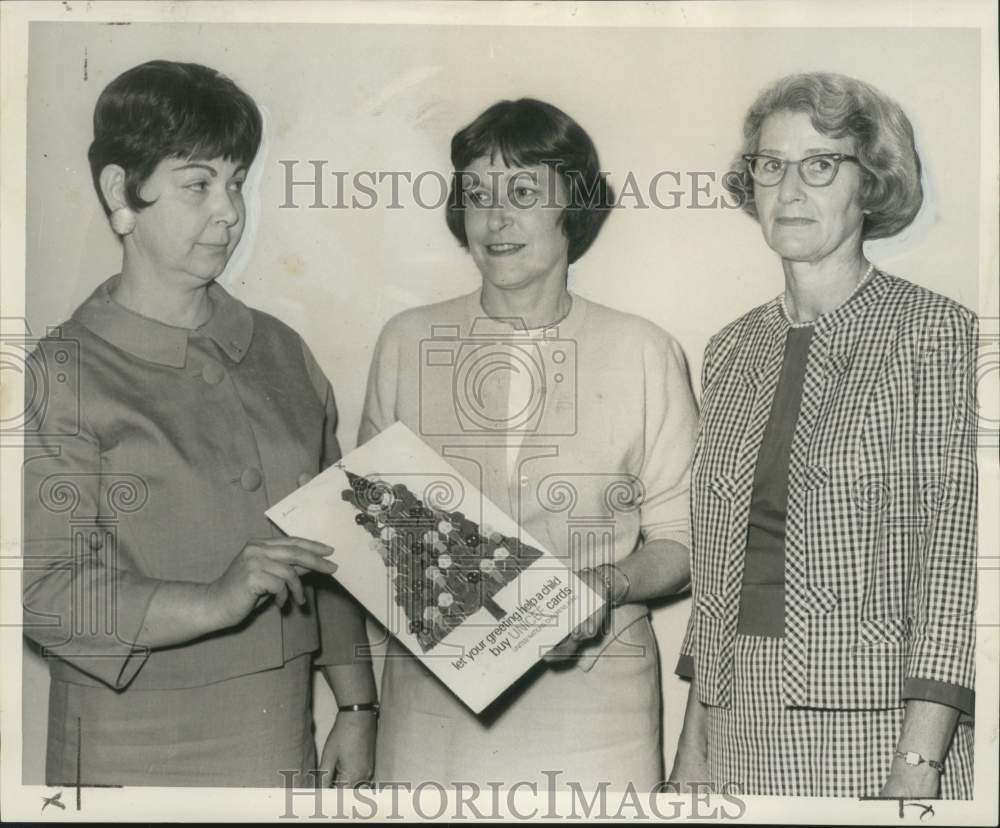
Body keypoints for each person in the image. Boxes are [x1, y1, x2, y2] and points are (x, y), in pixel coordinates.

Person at [22, 60, 377, 787]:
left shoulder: (281, 348)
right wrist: (214, 599)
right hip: (127, 733)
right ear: (122, 193)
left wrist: (356, 704)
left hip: (276, 727)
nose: (229, 211)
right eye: (198, 184)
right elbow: (45, 593)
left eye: (236, 180)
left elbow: (333, 540)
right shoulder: (59, 370)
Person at [359, 98, 699, 789]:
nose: (495, 218)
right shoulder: (406, 340)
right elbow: (368, 526)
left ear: (570, 209)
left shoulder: (644, 351)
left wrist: (602, 586)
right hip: (434, 713)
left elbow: (683, 544)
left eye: (521, 193)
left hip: (593, 714)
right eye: (477, 195)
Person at [668, 71, 977, 798]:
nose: (790, 189)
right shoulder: (731, 349)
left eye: (820, 164)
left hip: (881, 728)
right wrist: (691, 753)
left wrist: (918, 765)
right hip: (737, 723)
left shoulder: (936, 335)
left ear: (868, 182)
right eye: (770, 165)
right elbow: (721, 577)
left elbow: (955, 570)